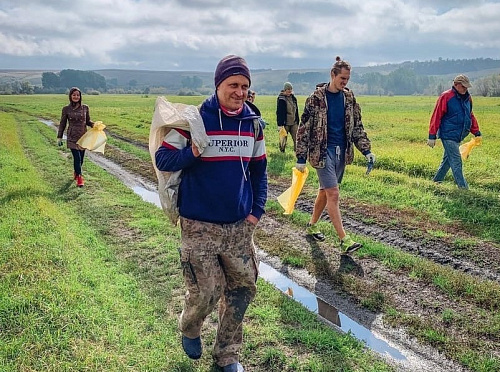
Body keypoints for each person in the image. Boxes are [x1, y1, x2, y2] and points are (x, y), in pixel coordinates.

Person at [155, 55, 267, 372]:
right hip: (199, 225)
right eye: (233, 85)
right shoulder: (195, 120)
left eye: (245, 86)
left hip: (238, 227)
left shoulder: (252, 125)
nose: (240, 91)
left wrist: (255, 213)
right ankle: (190, 327)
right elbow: (163, 159)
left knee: (243, 288)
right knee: (205, 292)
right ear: (218, 85)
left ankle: (227, 355)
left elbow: (260, 173)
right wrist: (193, 151)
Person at [295, 56, 375, 254]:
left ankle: (312, 225)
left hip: (342, 152)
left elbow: (357, 126)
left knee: (324, 191)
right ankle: (344, 240)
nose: (345, 82)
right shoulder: (315, 99)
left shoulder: (349, 98)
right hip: (321, 153)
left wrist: (366, 150)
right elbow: (304, 128)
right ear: (332, 75)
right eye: (342, 78)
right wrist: (300, 158)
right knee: (333, 193)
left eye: (347, 79)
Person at [427, 74, 481, 189]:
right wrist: (432, 136)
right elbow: (436, 116)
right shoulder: (446, 97)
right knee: (456, 161)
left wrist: (476, 131)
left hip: (458, 135)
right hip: (448, 135)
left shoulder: (468, 98)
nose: (465, 89)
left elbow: (470, 115)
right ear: (456, 85)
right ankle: (463, 189)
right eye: (463, 87)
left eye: (467, 87)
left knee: (447, 161)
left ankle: (436, 182)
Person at [57, 87, 94, 187]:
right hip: (72, 137)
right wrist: (59, 137)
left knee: (81, 159)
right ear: (70, 96)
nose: (76, 97)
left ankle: (76, 172)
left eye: (78, 95)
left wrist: (94, 125)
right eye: (74, 95)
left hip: (83, 136)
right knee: (77, 158)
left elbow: (88, 121)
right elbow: (62, 123)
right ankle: (80, 178)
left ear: (80, 96)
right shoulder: (66, 109)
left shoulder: (85, 107)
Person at [276, 81, 299, 152]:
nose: (289, 90)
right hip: (285, 123)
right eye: (288, 89)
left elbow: (296, 110)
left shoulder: (293, 98)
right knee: (283, 138)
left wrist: (297, 120)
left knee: (297, 138)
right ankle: (282, 151)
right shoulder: (281, 99)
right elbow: (279, 112)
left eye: (290, 89)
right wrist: (280, 124)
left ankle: (297, 152)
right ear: (285, 90)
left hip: (294, 122)